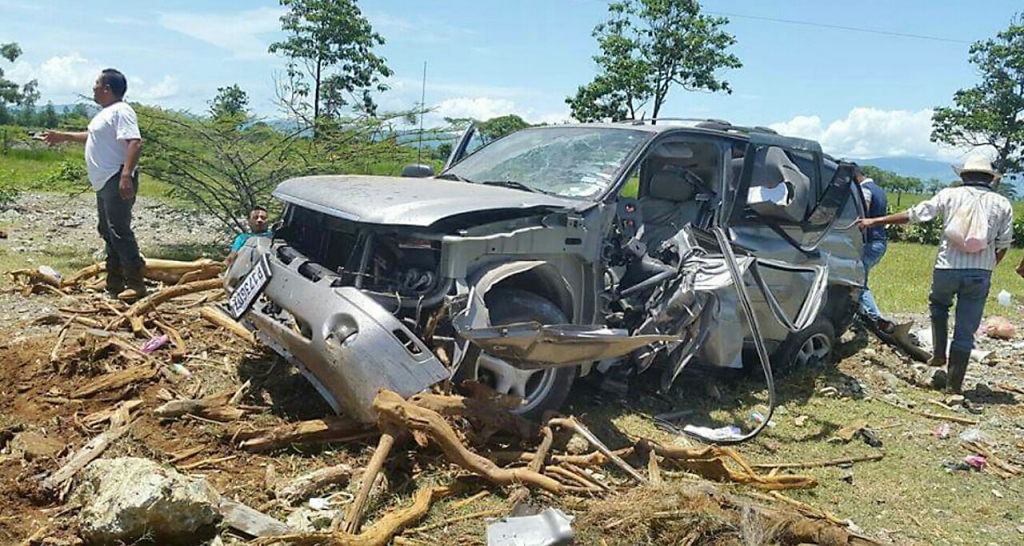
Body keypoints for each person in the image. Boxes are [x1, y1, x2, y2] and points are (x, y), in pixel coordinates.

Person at [858, 155, 1014, 394]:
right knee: (965, 329)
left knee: (939, 306)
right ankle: (953, 388)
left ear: (963, 176)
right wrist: (989, 267)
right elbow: (1003, 244)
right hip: (980, 271)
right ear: (991, 179)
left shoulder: (949, 195)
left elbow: (915, 214)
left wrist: (876, 220)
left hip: (947, 267)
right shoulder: (1002, 203)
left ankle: (939, 354)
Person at [43, 68, 145, 300]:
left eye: (97, 85)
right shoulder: (105, 114)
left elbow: (135, 142)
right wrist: (64, 136)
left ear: (107, 89)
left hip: (116, 178)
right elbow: (93, 137)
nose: (94, 89)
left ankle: (136, 285)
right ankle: (114, 284)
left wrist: (126, 175)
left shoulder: (122, 110)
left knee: (119, 231)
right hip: (104, 182)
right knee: (107, 231)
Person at [854, 164, 892, 331]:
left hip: (870, 241)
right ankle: (862, 315)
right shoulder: (878, 189)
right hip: (879, 241)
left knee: (858, 281)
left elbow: (864, 210)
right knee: (860, 279)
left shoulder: (865, 190)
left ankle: (874, 318)